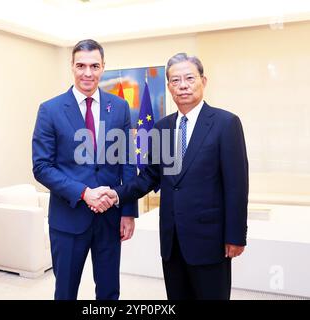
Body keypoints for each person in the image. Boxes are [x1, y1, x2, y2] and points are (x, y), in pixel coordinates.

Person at [100, 53, 249, 300]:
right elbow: (150, 176)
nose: (183, 85)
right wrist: (116, 193)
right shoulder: (163, 128)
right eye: (175, 80)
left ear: (203, 81)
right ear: (168, 86)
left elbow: (237, 186)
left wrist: (235, 236)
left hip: (209, 241)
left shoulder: (226, 123)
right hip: (172, 240)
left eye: (189, 78)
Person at [32, 39, 138, 300]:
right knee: (66, 292)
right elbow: (42, 166)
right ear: (72, 66)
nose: (87, 73)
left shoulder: (120, 107)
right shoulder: (50, 110)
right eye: (81, 65)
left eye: (94, 66)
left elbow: (127, 161)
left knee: (109, 292)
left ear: (103, 68)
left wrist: (128, 211)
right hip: (68, 220)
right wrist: (83, 193)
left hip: (109, 220)